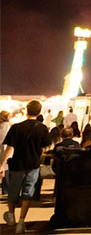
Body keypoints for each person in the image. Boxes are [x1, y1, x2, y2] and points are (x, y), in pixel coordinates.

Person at [0, 100, 50, 235]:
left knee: (13, 191)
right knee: (28, 193)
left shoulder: (16, 127)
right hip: (33, 165)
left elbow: (10, 147)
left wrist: (2, 164)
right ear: (39, 112)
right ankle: (21, 222)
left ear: (27, 110)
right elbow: (44, 147)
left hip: (17, 164)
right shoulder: (42, 128)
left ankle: (11, 215)